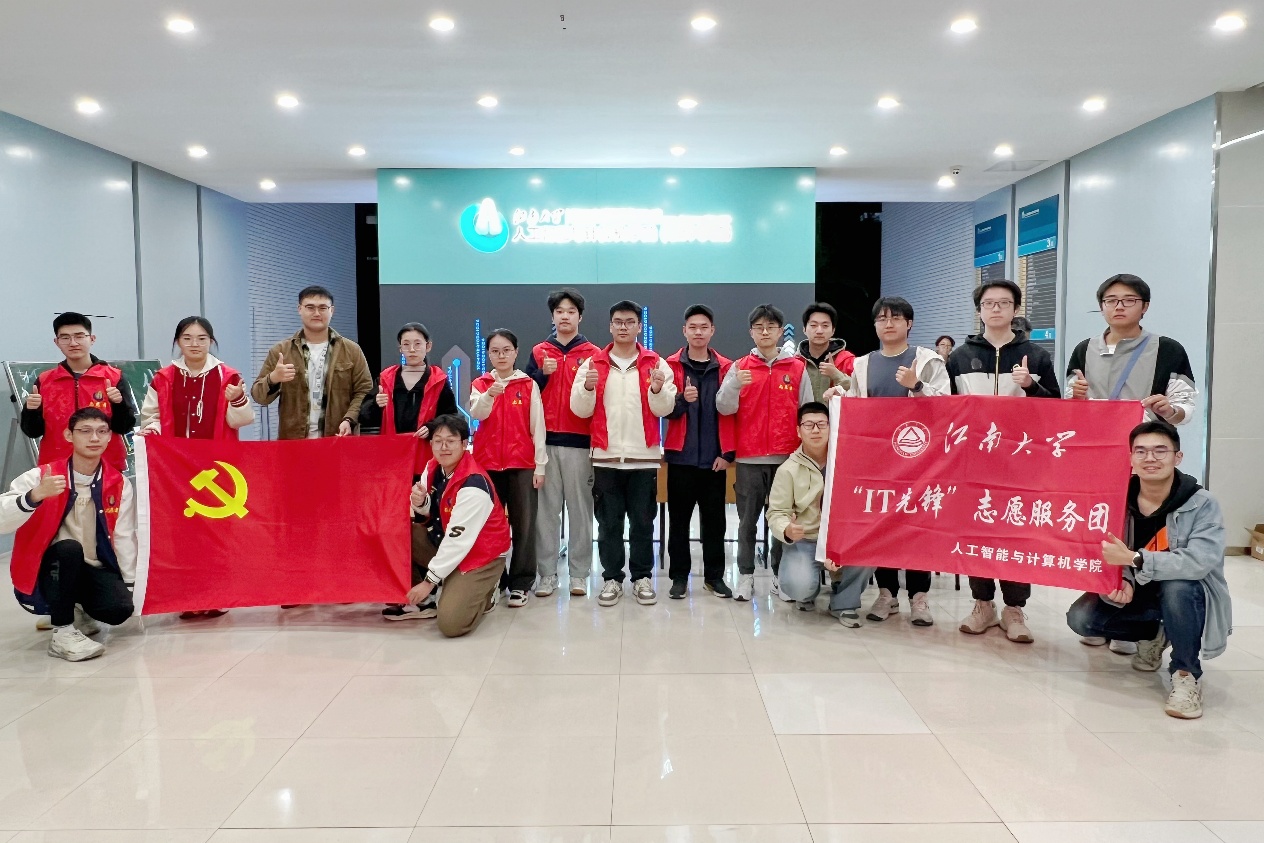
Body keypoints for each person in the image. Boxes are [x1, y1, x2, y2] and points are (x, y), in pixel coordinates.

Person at [1066, 421, 1229, 719]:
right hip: (1138, 590)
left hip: (1187, 594)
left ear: (1177, 457)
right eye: (1140, 451)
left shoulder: (1201, 503)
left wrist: (1135, 560)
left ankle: (1185, 675)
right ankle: (1157, 633)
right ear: (1130, 458)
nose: (1150, 458)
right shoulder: (1116, 498)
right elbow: (1105, 549)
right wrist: (1121, 578)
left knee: (1178, 587)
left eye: (1160, 451)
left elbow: (1199, 562)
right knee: (1081, 619)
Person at [947, 279, 1060, 643]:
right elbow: (945, 409)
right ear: (979, 310)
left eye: (1004, 303)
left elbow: (1056, 409)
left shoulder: (1037, 356)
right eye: (989, 303)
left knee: (1016, 533)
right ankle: (982, 604)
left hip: (1021, 462)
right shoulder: (959, 357)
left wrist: (1030, 386)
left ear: (1015, 309)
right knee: (976, 530)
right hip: (973, 462)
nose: (995, 309)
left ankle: (1014, 609)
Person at [838, 297, 951, 627]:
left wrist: (916, 386)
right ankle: (886, 593)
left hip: (919, 460)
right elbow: (856, 407)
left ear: (909, 323)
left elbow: (947, 405)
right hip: (877, 463)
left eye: (896, 318)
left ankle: (919, 597)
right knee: (882, 525)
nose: (888, 324)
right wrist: (838, 397)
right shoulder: (862, 364)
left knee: (917, 527)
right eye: (882, 319)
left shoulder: (927, 361)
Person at [139, 316, 255, 620]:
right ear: (178, 342)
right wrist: (152, 429)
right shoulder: (164, 378)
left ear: (211, 342)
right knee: (182, 530)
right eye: (187, 338)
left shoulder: (228, 376)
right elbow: (151, 416)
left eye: (201, 339)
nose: (194, 344)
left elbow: (242, 420)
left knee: (217, 530)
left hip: (217, 466)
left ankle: (217, 594)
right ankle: (188, 596)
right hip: (176, 468)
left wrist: (238, 399)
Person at [1, 408, 136, 661]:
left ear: (109, 437)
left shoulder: (118, 483)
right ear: (68, 435)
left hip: (92, 567)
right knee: (68, 549)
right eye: (85, 431)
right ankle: (62, 633)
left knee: (119, 610)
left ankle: (76, 606)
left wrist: (130, 586)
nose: (94, 438)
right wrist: (34, 496)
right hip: (50, 567)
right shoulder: (41, 476)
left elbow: (125, 537)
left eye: (102, 431)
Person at [570, 300, 676, 608]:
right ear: (610, 326)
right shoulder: (593, 364)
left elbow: (665, 409)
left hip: (643, 458)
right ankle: (612, 579)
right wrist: (588, 389)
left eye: (630, 322)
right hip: (606, 457)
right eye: (618, 322)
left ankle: (642, 578)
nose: (624, 327)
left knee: (643, 523)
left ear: (639, 326)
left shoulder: (656, 364)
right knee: (609, 525)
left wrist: (657, 390)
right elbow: (579, 410)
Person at [716, 304, 815, 602]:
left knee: (783, 522)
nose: (765, 332)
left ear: (780, 331)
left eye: (771, 327)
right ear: (751, 332)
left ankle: (778, 577)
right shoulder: (740, 367)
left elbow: (806, 412)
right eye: (759, 327)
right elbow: (723, 407)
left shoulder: (797, 368)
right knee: (747, 522)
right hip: (749, 457)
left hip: (787, 460)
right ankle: (745, 577)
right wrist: (735, 384)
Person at [361, 322, 458, 621]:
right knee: (391, 527)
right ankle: (399, 591)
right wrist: (375, 404)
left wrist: (432, 426)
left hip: (424, 465)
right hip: (391, 466)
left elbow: (452, 416)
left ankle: (426, 592)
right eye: (406, 344)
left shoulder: (439, 380)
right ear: (400, 348)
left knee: (420, 528)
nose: (412, 349)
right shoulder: (385, 379)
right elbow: (365, 414)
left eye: (418, 344)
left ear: (428, 347)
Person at [404, 415, 511, 638]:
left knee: (451, 624)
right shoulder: (433, 467)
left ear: (464, 444)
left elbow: (458, 540)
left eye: (450, 441)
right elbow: (436, 512)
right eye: (438, 441)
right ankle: (433, 594)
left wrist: (428, 582)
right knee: (402, 534)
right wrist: (421, 502)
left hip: (480, 556)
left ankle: (487, 591)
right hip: (446, 541)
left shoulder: (474, 484)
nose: (443, 447)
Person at [525, 289, 600, 598]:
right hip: (545, 445)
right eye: (559, 311)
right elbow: (525, 393)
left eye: (571, 311)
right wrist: (542, 375)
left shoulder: (594, 354)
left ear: (580, 316)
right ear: (552, 316)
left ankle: (580, 574)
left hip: (580, 444)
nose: (565, 316)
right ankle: (547, 574)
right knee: (546, 514)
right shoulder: (539, 352)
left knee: (581, 513)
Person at [469, 329, 546, 608]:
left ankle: (521, 583)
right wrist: (489, 395)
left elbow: (538, 427)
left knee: (524, 525)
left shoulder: (527, 384)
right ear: (488, 354)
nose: (501, 356)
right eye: (495, 351)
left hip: (522, 464)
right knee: (490, 527)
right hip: (487, 466)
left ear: (515, 352)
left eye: (506, 350)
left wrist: (540, 466)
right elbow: (477, 413)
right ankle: (495, 581)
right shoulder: (481, 383)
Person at [663, 305, 735, 600]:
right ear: (684, 331)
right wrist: (682, 400)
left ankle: (714, 578)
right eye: (692, 327)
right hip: (680, 457)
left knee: (715, 523)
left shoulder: (727, 368)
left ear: (712, 331)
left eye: (704, 327)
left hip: (714, 461)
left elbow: (733, 413)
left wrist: (728, 454)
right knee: (678, 523)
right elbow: (662, 410)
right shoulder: (670, 366)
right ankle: (679, 577)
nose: (698, 332)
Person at [767, 402, 862, 621]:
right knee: (799, 587)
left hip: (843, 539)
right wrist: (787, 529)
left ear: (831, 427)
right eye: (809, 425)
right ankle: (808, 592)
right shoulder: (788, 470)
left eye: (822, 424)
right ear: (798, 431)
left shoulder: (848, 461)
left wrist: (842, 541)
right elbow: (776, 512)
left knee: (867, 555)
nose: (816, 430)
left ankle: (843, 601)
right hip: (806, 540)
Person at [20, 311, 137, 474]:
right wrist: (31, 411)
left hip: (106, 468)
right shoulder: (45, 381)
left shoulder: (113, 377)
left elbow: (124, 427)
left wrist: (118, 404)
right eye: (65, 338)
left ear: (92, 339)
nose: (73, 343)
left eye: (79, 336)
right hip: (57, 468)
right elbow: (33, 432)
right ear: (56, 342)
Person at [251, 285, 373, 440]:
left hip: (338, 439)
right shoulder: (281, 350)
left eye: (323, 308)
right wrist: (273, 378)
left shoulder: (351, 350)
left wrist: (350, 419)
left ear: (332, 310)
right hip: (294, 442)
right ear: (299, 309)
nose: (316, 313)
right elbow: (259, 396)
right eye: (310, 307)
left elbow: (364, 391)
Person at [798, 302, 855, 402]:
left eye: (825, 326)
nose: (819, 331)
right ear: (804, 329)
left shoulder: (848, 361)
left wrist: (836, 375)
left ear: (833, 330)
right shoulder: (795, 362)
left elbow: (861, 391)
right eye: (813, 325)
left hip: (836, 413)